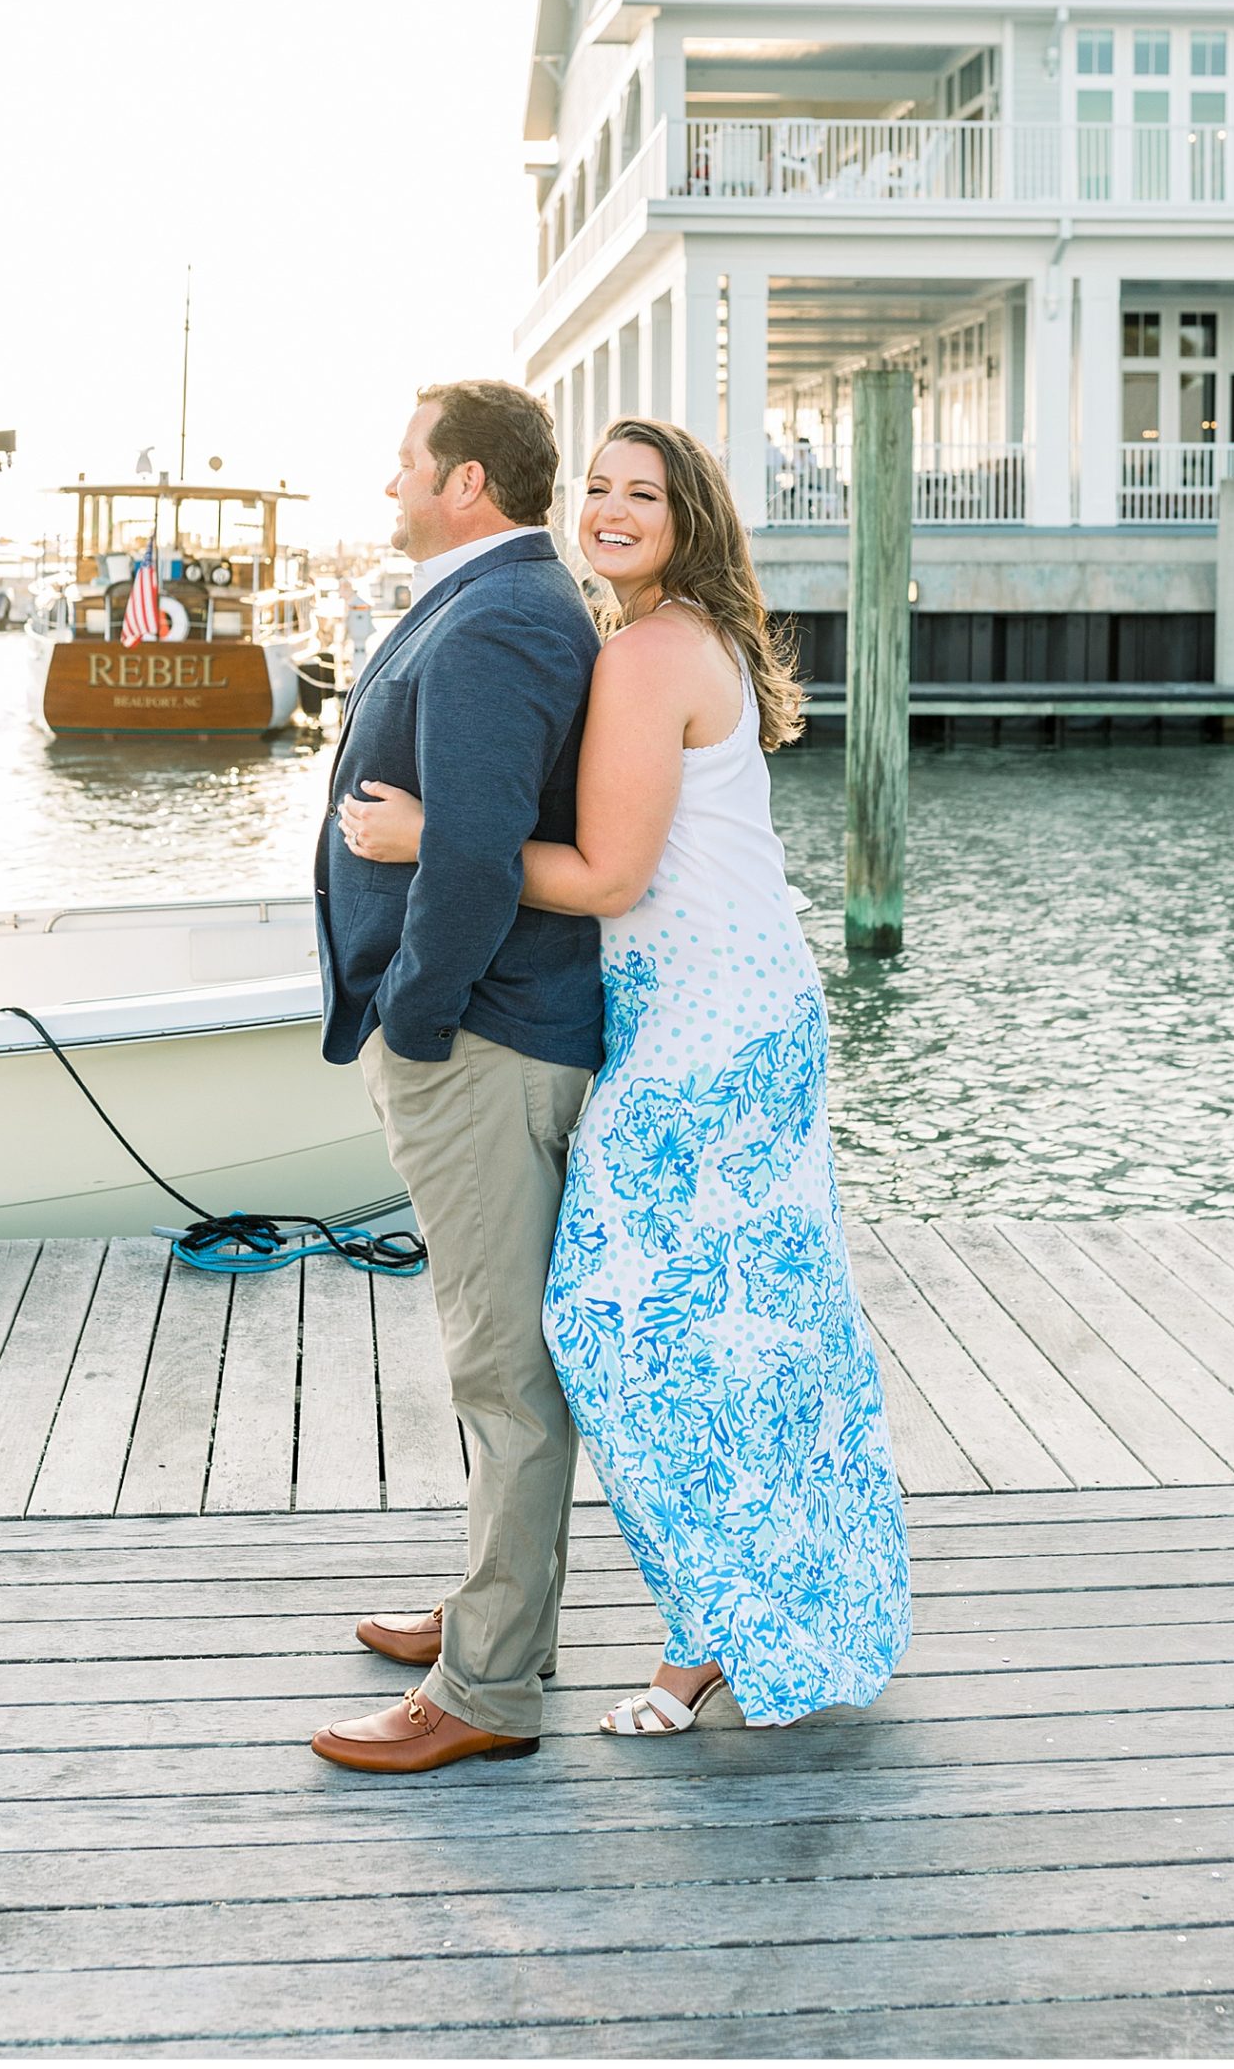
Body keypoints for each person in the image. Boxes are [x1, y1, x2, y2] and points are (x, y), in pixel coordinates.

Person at [340, 417, 911, 1738]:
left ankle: (710, 1629)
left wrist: (433, 836)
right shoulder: (660, 635)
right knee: (731, 1335)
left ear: (687, 514)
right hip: (716, 1014)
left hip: (711, 1030)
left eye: (639, 493)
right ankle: (715, 1620)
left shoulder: (652, 651)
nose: (606, 507)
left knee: (623, 1329)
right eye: (595, 486)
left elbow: (608, 878)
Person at [310, 380, 604, 1775]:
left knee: (501, 1366)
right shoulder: (490, 596)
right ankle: (495, 1611)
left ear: (469, 482)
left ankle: (488, 1692)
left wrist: (416, 1019)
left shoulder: (496, 616)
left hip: (480, 1041)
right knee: (491, 1353)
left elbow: (476, 852)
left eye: (405, 463)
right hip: (474, 1034)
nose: (389, 485)